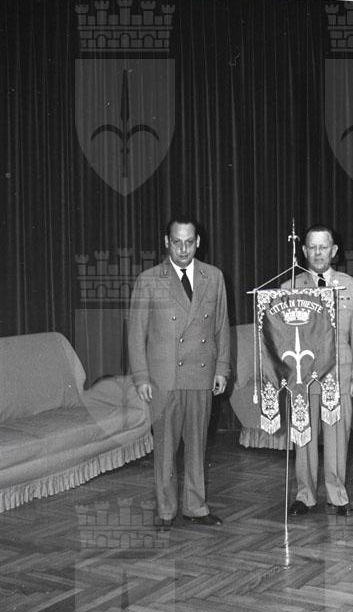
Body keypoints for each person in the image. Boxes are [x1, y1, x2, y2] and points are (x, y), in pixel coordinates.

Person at [128, 215, 230, 530]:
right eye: (176, 242)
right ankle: (166, 510)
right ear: (166, 242)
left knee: (197, 445)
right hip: (164, 377)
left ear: (198, 242)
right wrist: (141, 376)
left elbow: (221, 327)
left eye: (188, 242)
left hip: (201, 374)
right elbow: (136, 333)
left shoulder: (214, 277)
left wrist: (222, 368)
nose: (183, 249)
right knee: (165, 448)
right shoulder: (149, 279)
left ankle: (196, 507)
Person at [285, 225, 353, 517]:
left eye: (323, 247)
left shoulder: (351, 287)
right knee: (303, 436)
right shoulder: (289, 288)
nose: (318, 253)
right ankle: (305, 495)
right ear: (304, 251)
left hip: (339, 374)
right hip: (303, 376)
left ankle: (337, 494)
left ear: (334, 251)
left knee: (337, 438)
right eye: (312, 247)